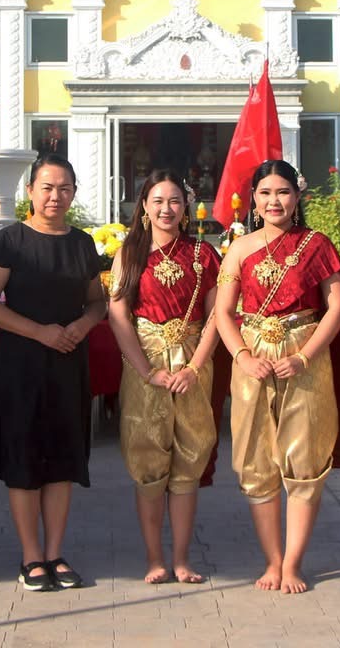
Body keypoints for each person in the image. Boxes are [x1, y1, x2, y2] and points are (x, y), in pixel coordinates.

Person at [213, 159, 340, 594]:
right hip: (253, 358)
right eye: (266, 192)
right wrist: (243, 356)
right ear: (253, 198)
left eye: (283, 192)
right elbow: (224, 312)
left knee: (304, 458)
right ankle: (272, 559)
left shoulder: (317, 244)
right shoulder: (239, 247)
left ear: (298, 197)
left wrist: (305, 356)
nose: (274, 201)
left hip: (303, 355)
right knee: (256, 460)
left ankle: (293, 562)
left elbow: (337, 307)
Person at [0, 153, 105, 592]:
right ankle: (31, 556)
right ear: (30, 191)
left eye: (64, 187)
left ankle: (56, 553)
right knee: (25, 458)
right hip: (21, 365)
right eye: (47, 187)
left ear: (73, 192)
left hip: (68, 362)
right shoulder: (11, 240)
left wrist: (81, 327)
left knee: (62, 459)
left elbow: (97, 301)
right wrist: (39, 332)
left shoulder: (82, 243)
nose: (55, 195)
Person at [106, 170, 221, 585]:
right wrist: (145, 371)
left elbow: (215, 317)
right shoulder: (129, 253)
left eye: (174, 200)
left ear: (185, 206)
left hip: (192, 364)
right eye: (157, 201)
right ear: (143, 206)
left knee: (189, 457)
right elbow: (118, 313)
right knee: (148, 459)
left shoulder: (205, 255)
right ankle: (155, 558)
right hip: (145, 364)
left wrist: (194, 366)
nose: (166, 209)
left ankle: (183, 558)